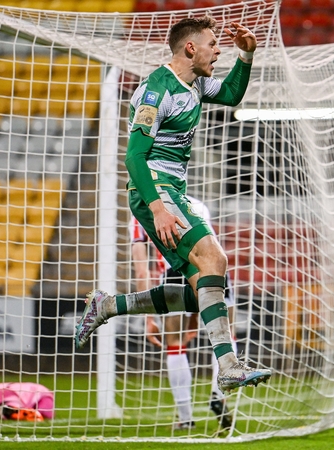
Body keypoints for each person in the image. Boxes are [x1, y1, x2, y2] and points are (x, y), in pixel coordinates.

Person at [75, 16, 271, 394]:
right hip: (155, 189)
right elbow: (134, 157)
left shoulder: (194, 84)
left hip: (174, 190)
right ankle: (229, 367)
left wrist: (246, 58)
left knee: (203, 292)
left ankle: (109, 306)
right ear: (191, 48)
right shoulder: (156, 91)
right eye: (213, 44)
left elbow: (230, 94)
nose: (218, 51)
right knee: (215, 261)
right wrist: (158, 207)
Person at [130, 196, 234, 431]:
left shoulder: (140, 211)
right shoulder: (196, 205)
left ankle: (185, 417)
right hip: (213, 271)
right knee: (227, 334)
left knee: (175, 343)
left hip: (174, 271)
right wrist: (198, 317)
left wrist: (149, 316)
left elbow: (141, 268)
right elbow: (208, 249)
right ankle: (219, 394)